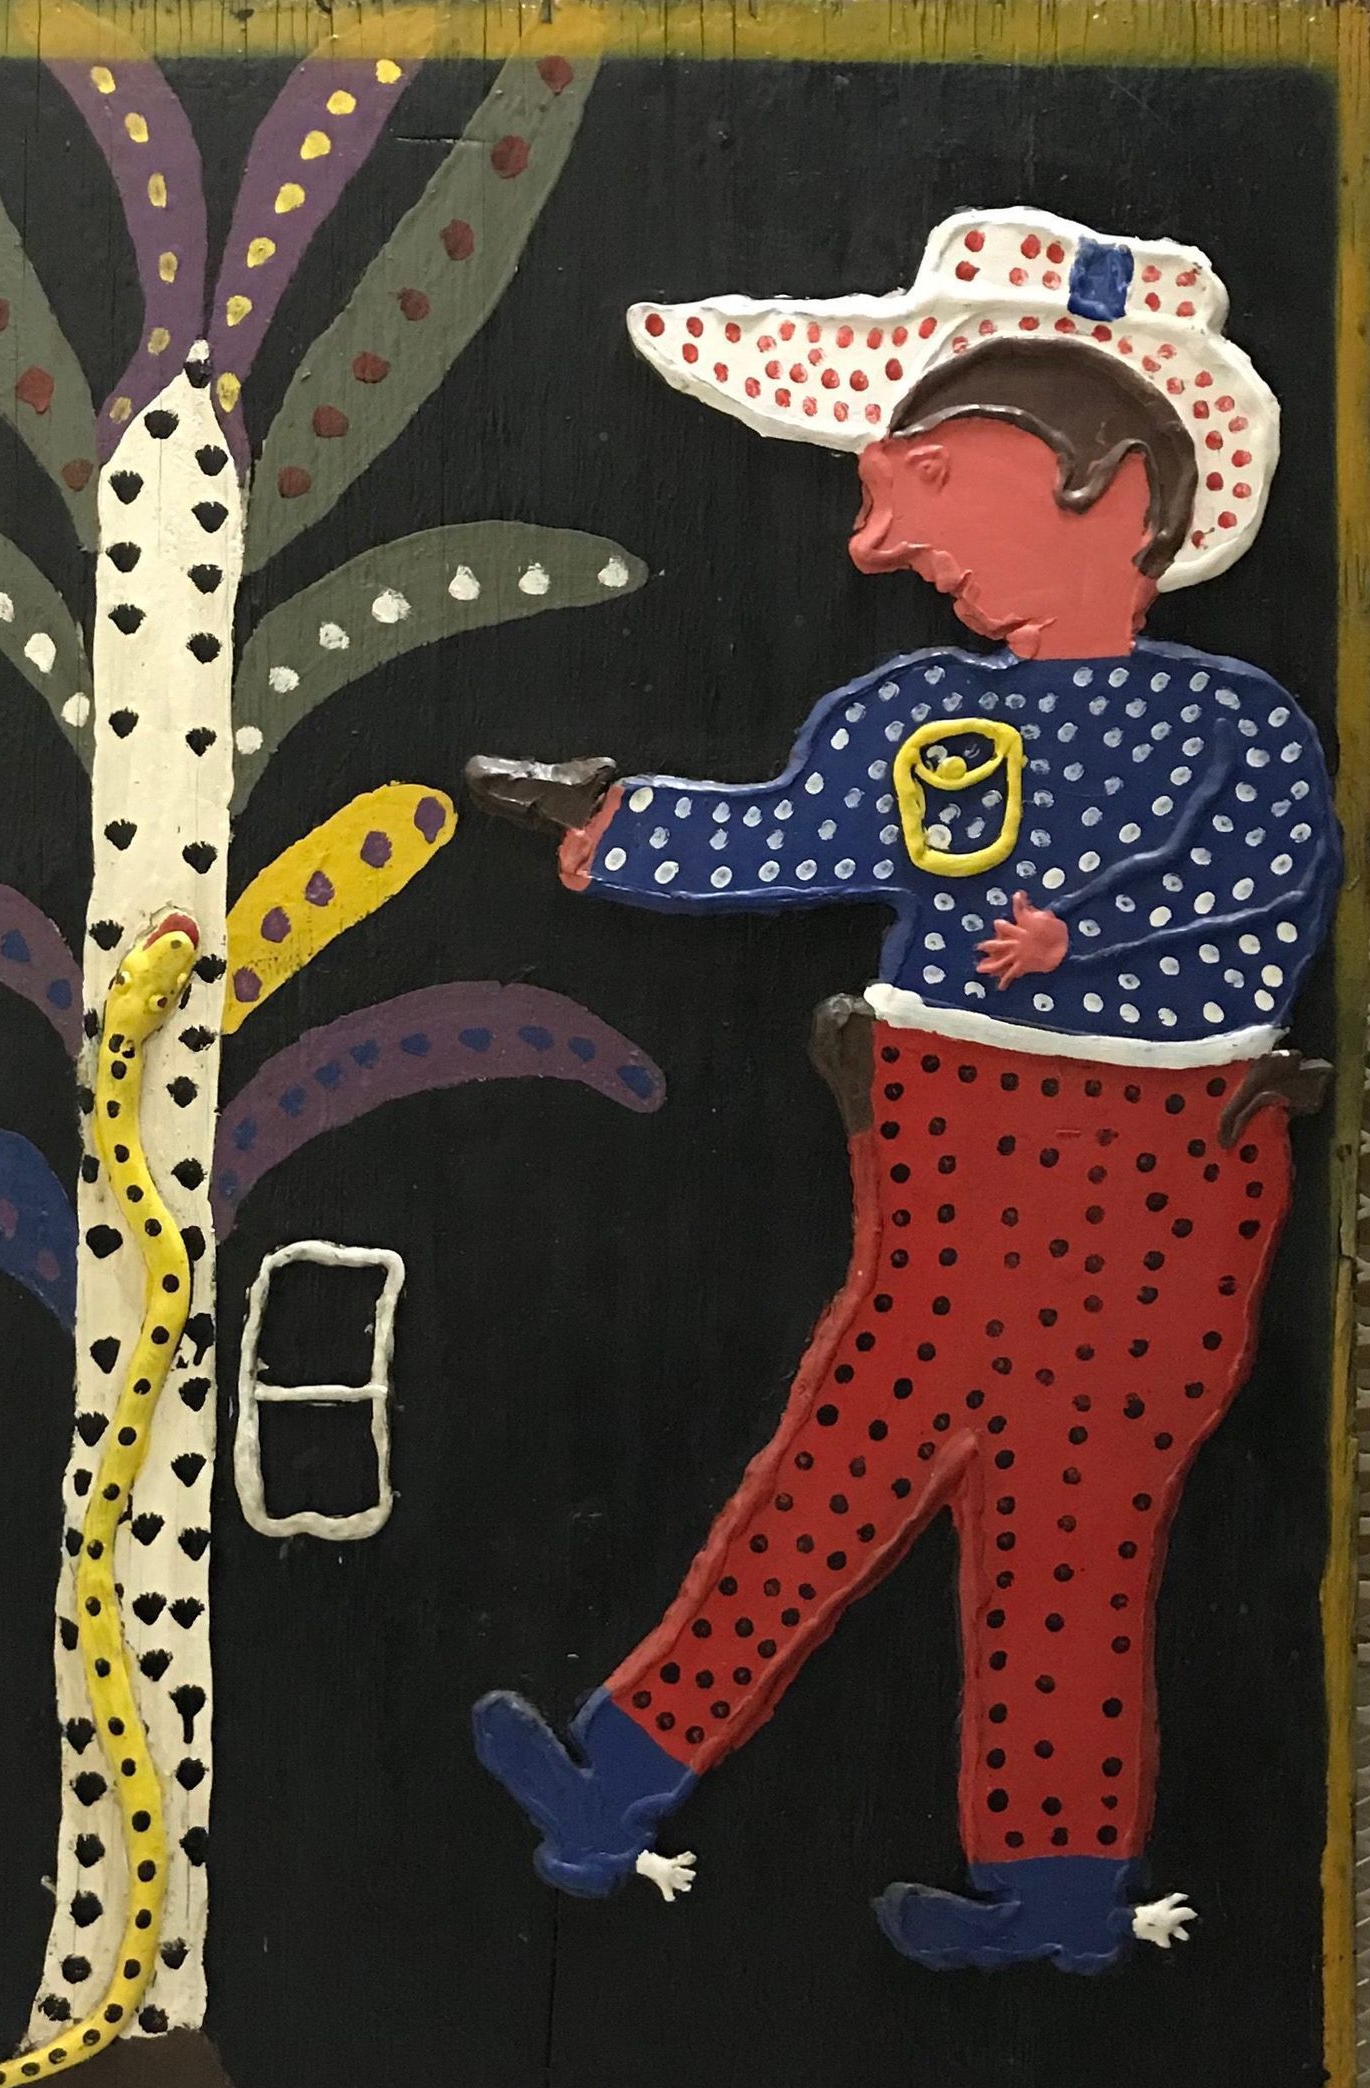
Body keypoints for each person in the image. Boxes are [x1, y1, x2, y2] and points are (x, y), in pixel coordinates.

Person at [464, 208, 1339, 1973]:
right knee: (846, 1468)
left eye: (929, 487)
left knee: (1067, 1523)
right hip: (953, 1155)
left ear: (1113, 491)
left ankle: (1042, 1886)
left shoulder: (1231, 723)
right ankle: (629, 1780)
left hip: (1158, 1177)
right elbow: (788, 837)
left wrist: (1082, 931)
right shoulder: (921, 712)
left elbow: (1270, 871)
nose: (881, 543)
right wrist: (615, 823)